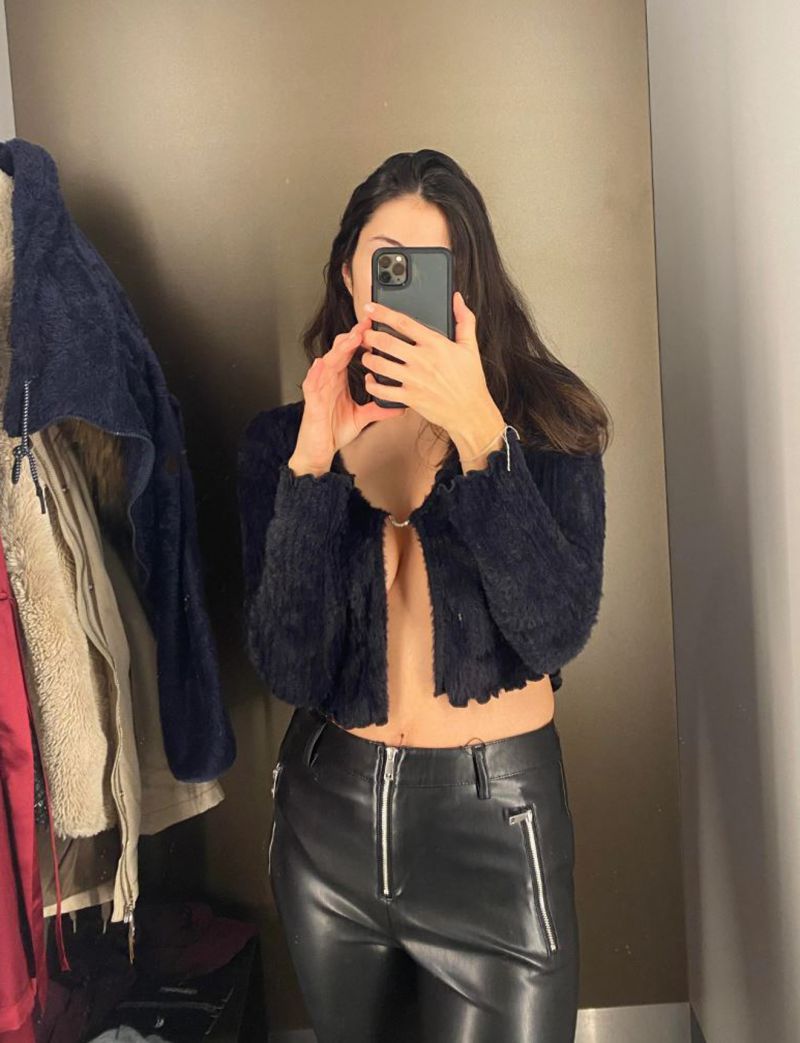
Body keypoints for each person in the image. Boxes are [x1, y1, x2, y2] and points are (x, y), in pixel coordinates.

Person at [237, 149, 610, 1043]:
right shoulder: (284, 441)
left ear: (463, 283)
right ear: (349, 272)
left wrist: (482, 439)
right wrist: (313, 465)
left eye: (427, 264)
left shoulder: (547, 426)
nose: (401, 285)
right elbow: (288, 665)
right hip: (328, 825)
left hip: (494, 830)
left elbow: (555, 630)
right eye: (384, 261)